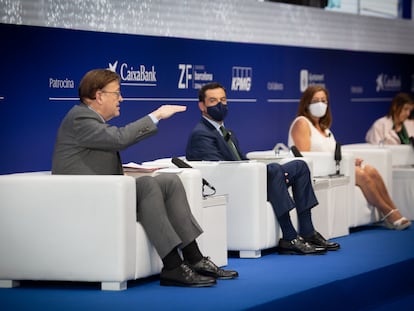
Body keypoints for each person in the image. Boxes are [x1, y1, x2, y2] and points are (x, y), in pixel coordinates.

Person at [52, 69, 238, 288]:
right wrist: (156, 115)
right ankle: (172, 267)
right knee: (148, 185)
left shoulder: (90, 119)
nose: (121, 98)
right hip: (86, 198)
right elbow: (118, 139)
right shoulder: (80, 118)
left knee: (169, 181)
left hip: (104, 191)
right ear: (99, 95)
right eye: (117, 93)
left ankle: (195, 258)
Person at [186, 82, 340, 255]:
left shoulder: (225, 131)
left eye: (223, 100)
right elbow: (218, 170)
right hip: (235, 187)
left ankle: (308, 231)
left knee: (300, 165)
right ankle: (289, 237)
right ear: (202, 105)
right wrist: (256, 171)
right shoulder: (201, 133)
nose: (220, 105)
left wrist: (256, 170)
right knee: (274, 170)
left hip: (247, 179)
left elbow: (239, 161)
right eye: (213, 101)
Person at [288, 85, 411, 230]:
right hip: (315, 171)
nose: (320, 104)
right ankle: (388, 213)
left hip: (331, 169)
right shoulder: (302, 123)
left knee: (370, 170)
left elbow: (334, 152)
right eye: (315, 100)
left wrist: (349, 160)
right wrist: (343, 163)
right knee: (360, 174)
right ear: (306, 103)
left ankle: (394, 209)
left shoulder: (324, 128)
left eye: (323, 100)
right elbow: (305, 156)